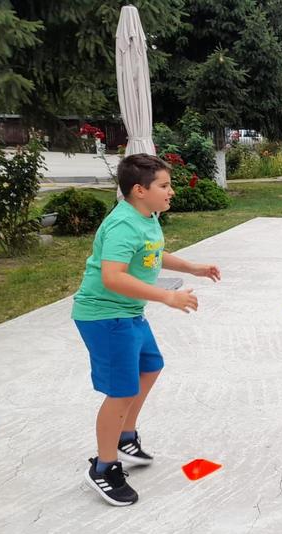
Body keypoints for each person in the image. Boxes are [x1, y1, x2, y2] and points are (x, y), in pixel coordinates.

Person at [72, 154, 221, 506]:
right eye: (164, 186)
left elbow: (154, 252)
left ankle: (125, 437)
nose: (172, 192)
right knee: (121, 391)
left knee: (150, 367)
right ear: (140, 190)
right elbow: (113, 277)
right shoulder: (123, 225)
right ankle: (104, 467)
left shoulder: (147, 217)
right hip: (105, 316)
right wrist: (167, 296)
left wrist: (193, 268)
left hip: (128, 313)